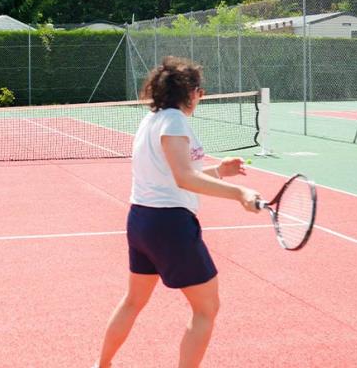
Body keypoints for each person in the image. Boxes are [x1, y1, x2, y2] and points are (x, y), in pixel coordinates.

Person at [94, 56, 261, 368]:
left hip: (142, 221)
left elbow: (177, 175)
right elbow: (184, 178)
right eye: (200, 91)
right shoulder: (174, 121)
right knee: (206, 309)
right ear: (190, 92)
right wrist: (240, 193)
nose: (202, 96)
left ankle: (101, 365)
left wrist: (219, 171)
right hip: (169, 224)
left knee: (134, 301)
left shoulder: (153, 119)